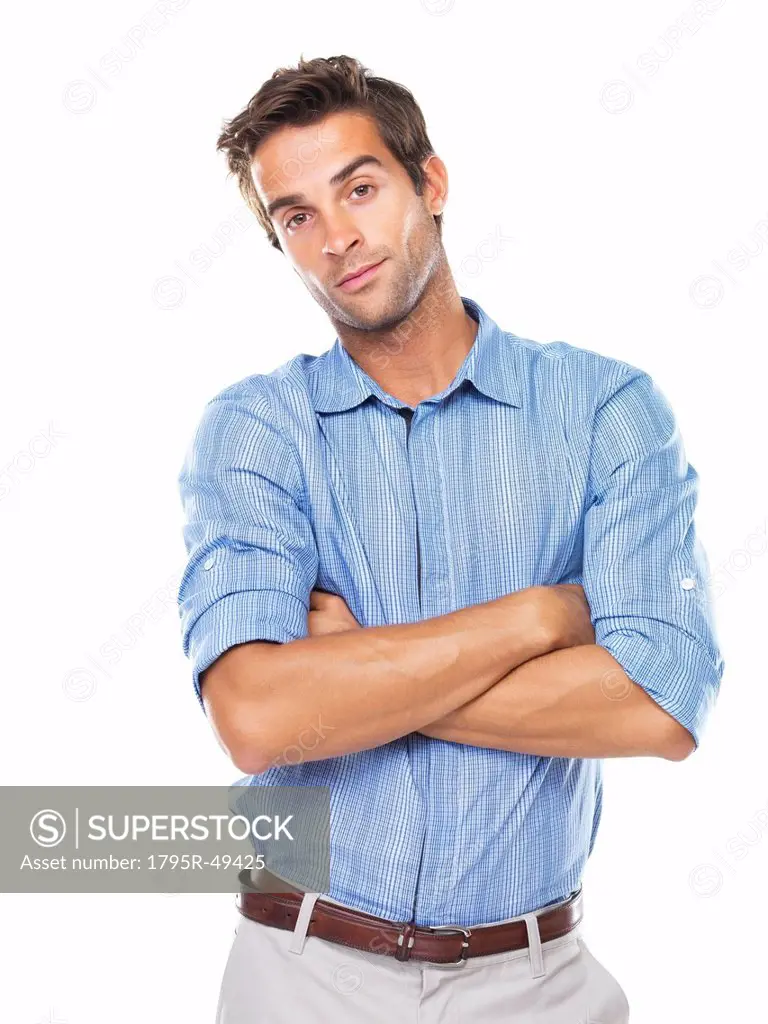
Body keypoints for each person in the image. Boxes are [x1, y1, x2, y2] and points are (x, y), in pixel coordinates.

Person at [176, 54, 724, 1023]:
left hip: (539, 982)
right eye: (297, 216)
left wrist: (349, 677)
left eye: (360, 187)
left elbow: (660, 699)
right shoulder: (256, 430)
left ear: (429, 182)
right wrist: (539, 617)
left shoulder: (606, 411)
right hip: (301, 974)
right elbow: (256, 716)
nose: (338, 237)